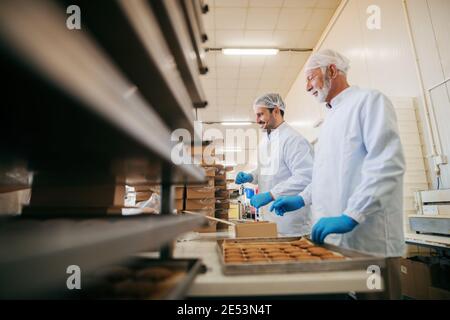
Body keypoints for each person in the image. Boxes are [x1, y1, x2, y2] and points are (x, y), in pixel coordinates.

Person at [270, 49, 406, 259]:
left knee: (376, 291)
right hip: (334, 242)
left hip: (369, 242)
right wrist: (301, 198)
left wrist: (352, 215)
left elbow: (386, 165)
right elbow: (326, 175)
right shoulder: (330, 119)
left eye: (310, 78)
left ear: (332, 70)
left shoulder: (369, 101)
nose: (307, 87)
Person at [235, 93, 314, 236]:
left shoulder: (293, 140)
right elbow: (265, 172)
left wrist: (272, 194)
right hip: (270, 220)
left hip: (292, 223)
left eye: (260, 115)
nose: (257, 120)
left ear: (276, 111)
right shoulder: (265, 141)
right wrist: (250, 176)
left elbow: (306, 177)